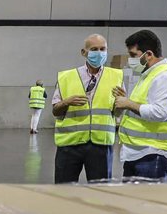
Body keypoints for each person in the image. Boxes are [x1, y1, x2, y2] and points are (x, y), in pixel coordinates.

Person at [113, 29, 167, 182]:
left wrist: (128, 103)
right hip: (142, 151)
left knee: (144, 196)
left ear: (148, 54)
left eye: (133, 55)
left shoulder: (165, 76)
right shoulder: (149, 74)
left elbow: (160, 113)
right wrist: (126, 101)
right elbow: (144, 104)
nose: (130, 60)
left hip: (155, 152)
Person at [52, 34, 121, 183]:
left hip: (101, 144)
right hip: (70, 144)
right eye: (94, 49)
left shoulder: (116, 77)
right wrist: (66, 102)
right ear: (84, 52)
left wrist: (122, 103)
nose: (99, 53)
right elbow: (55, 111)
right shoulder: (66, 77)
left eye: (103, 49)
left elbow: (117, 113)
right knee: (64, 189)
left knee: (100, 190)